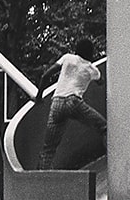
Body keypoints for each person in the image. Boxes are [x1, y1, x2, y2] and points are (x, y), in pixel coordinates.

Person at [39, 37, 107, 169]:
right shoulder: (92, 69)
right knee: (104, 128)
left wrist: (38, 97)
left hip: (56, 103)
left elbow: (45, 76)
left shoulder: (67, 58)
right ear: (91, 53)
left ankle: (42, 178)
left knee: (49, 148)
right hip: (73, 102)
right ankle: (112, 159)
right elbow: (101, 81)